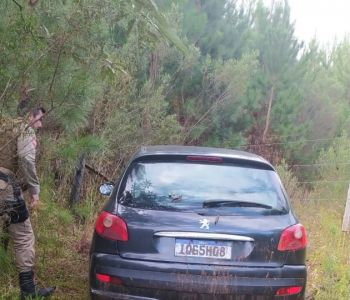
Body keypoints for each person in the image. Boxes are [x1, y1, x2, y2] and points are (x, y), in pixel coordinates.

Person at [0, 107, 55, 299]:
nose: (40, 125)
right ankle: (28, 292)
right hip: (4, 187)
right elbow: (26, 158)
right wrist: (35, 191)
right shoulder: (25, 129)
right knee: (24, 237)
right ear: (30, 116)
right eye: (39, 120)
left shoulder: (4, 124)